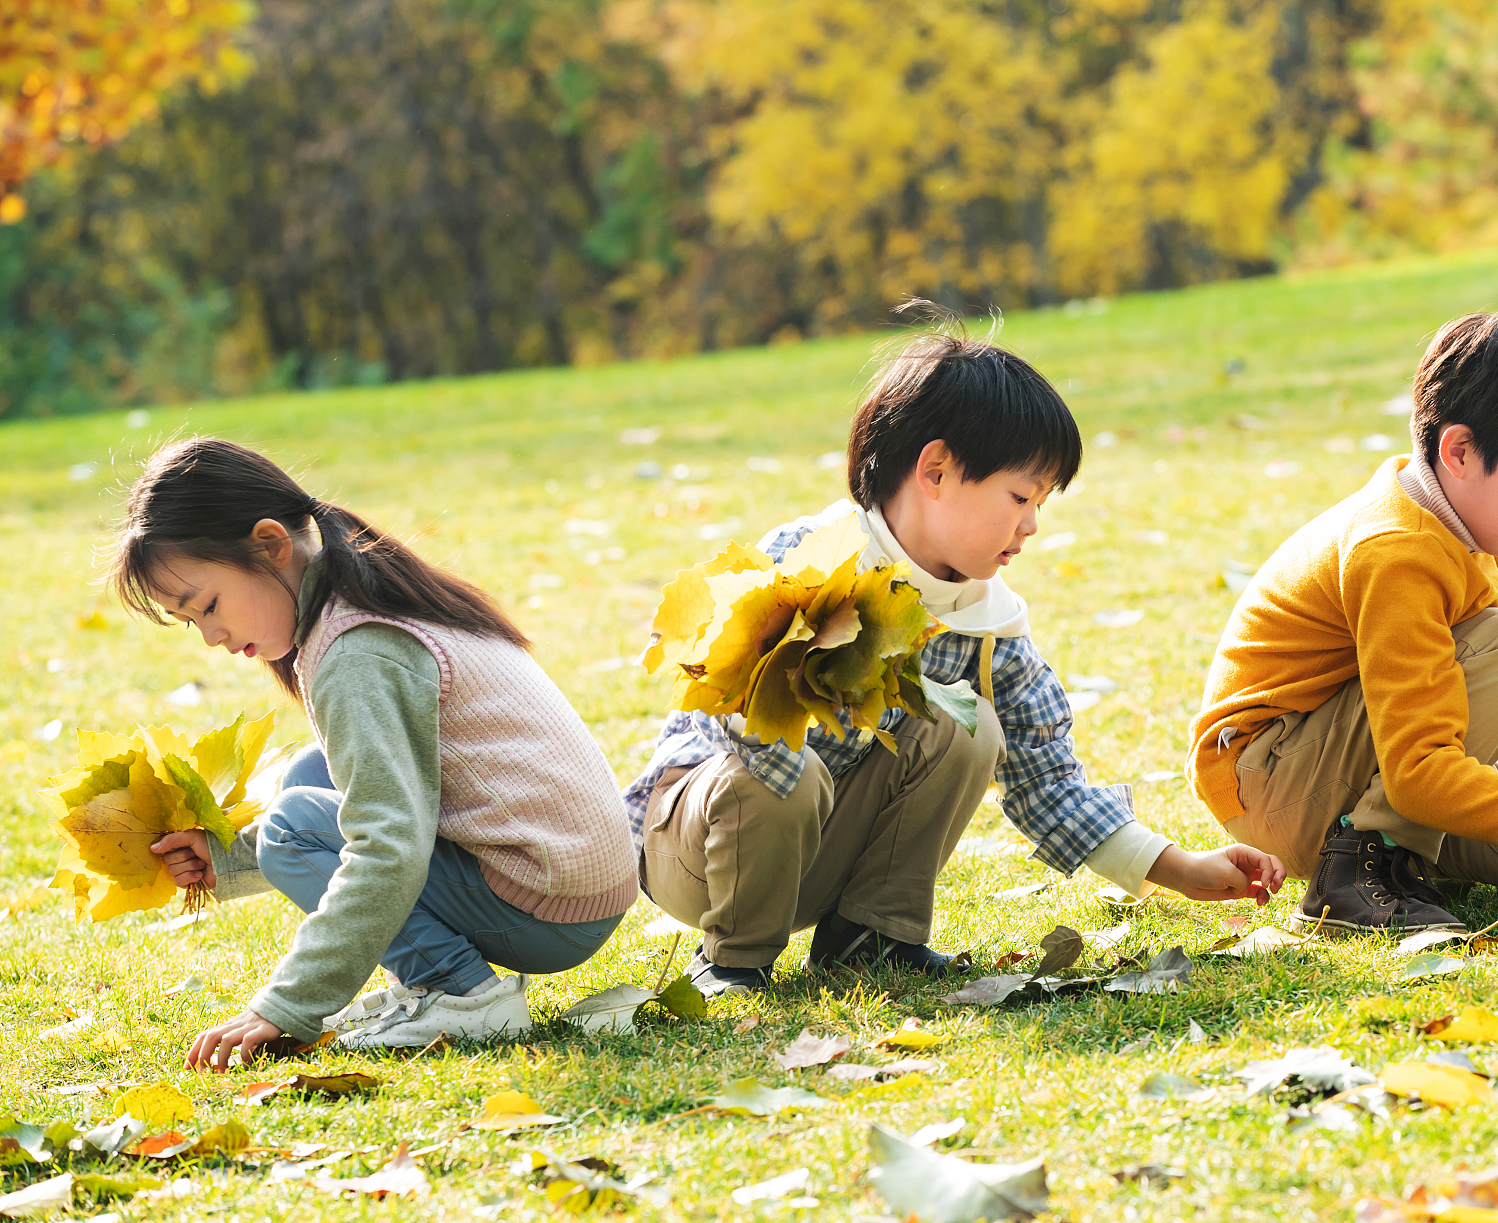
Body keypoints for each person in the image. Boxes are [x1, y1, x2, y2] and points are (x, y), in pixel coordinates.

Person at [624, 307, 1285, 999]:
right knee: (787, 766)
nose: (1032, 525)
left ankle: (870, 938)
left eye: (1041, 503)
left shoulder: (986, 624)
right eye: (1020, 496)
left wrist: (1181, 868)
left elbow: (1047, 779)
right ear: (936, 470)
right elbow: (723, 703)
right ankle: (733, 960)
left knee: (968, 725)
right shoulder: (808, 560)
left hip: (813, 857)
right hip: (701, 848)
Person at [117, 438, 636, 1064]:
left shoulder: (357, 650)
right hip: (564, 878)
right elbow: (384, 802)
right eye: (191, 621)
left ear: (271, 543)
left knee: (291, 823)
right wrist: (227, 858)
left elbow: (387, 844)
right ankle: (435, 983)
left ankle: (462, 994)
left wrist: (285, 1007)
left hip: (548, 905)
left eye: (207, 605)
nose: (209, 636)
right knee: (310, 773)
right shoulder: (361, 592)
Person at [1187, 310, 1498, 934]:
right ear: (1460, 451)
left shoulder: (1479, 535)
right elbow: (1420, 774)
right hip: (1276, 781)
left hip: (1355, 766)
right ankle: (1367, 863)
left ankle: (1395, 849)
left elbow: (1448, 697)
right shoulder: (1398, 551)